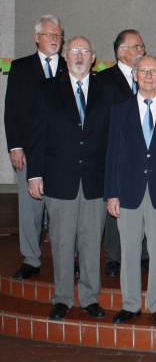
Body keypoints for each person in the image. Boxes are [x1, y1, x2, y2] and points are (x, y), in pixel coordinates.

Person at [28, 36, 111, 321]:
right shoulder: (48, 89)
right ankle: (62, 298)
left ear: (93, 57)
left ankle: (89, 297)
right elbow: (36, 135)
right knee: (62, 241)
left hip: (94, 181)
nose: (79, 55)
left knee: (90, 241)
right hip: (58, 178)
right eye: (74, 50)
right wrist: (34, 174)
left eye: (84, 51)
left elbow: (112, 139)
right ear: (65, 57)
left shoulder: (105, 90)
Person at [106, 55, 156, 326]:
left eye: (154, 71)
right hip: (128, 191)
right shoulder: (120, 110)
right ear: (135, 76)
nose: (149, 75)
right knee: (128, 251)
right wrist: (111, 193)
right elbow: (112, 155)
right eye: (144, 71)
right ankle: (130, 304)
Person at [5, 15, 67, 280]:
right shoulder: (21, 68)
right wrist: (15, 146)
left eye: (58, 35)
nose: (54, 39)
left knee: (63, 211)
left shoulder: (70, 66)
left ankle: (67, 259)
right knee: (31, 208)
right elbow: (12, 110)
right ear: (36, 38)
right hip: (30, 149)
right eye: (49, 35)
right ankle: (31, 259)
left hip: (62, 153)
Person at [96, 29, 149, 277]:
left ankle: (143, 254)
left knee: (143, 204)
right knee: (116, 205)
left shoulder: (146, 76)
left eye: (142, 47)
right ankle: (114, 257)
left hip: (144, 156)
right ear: (121, 51)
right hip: (116, 153)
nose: (142, 51)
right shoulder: (104, 80)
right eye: (137, 46)